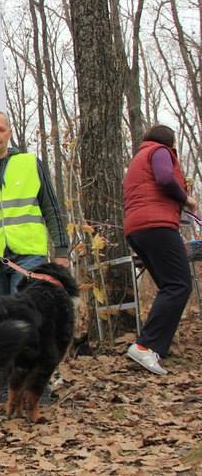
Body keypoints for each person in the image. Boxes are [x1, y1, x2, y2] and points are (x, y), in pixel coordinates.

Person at [0, 110, 69, 299]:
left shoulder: (30, 164)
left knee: (26, 312)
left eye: (1, 129)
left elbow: (51, 209)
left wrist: (61, 251)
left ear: (9, 133)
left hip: (29, 256)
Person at [123, 125, 197, 375]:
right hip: (157, 225)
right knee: (179, 285)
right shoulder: (160, 151)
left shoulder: (139, 158)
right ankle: (145, 346)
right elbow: (165, 179)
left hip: (137, 229)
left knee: (170, 286)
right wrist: (186, 199)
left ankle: (151, 346)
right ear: (170, 142)